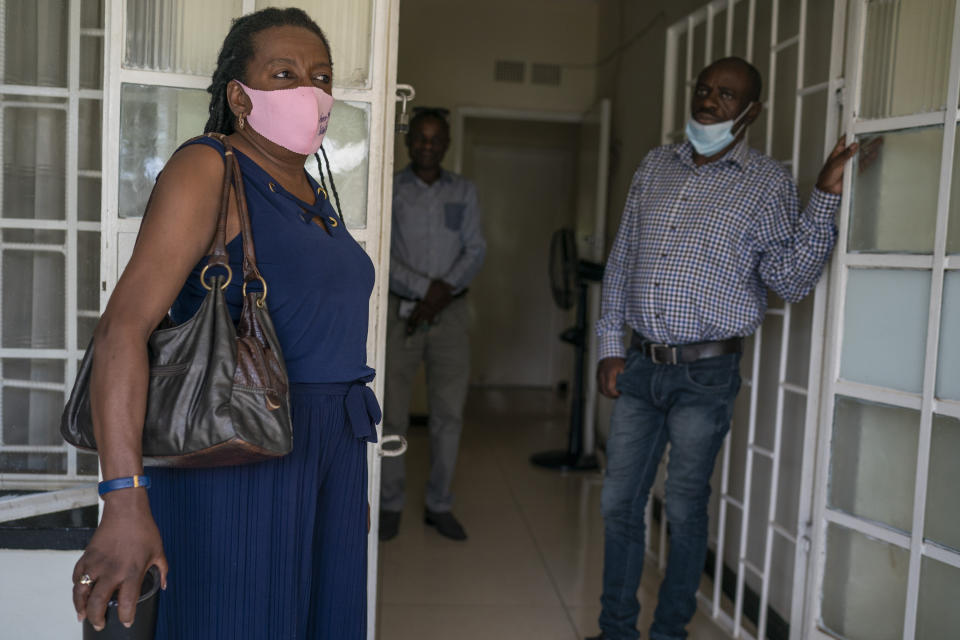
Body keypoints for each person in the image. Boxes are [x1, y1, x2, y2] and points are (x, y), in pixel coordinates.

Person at [70, 8, 380, 638]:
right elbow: (122, 330)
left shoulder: (316, 195)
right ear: (240, 95)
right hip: (237, 453)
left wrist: (341, 483)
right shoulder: (210, 167)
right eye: (285, 73)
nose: (311, 92)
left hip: (329, 453)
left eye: (321, 77)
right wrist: (123, 497)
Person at [589, 57, 857, 640]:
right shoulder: (655, 165)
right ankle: (616, 631)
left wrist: (825, 195)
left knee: (683, 510)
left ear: (752, 111)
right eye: (705, 89)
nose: (710, 101)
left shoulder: (766, 183)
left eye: (727, 95)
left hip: (704, 377)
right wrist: (611, 344)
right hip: (639, 363)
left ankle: (669, 632)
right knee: (618, 505)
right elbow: (624, 257)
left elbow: (789, 280)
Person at [378, 108, 486, 542]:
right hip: (400, 312)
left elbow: (476, 250)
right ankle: (389, 503)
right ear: (408, 144)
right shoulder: (390, 190)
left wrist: (441, 295)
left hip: (451, 316)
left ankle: (439, 503)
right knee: (391, 415)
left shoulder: (464, 191)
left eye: (435, 139)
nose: (426, 145)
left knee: (448, 415)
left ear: (446, 144)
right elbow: (381, 253)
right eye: (419, 138)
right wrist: (426, 291)